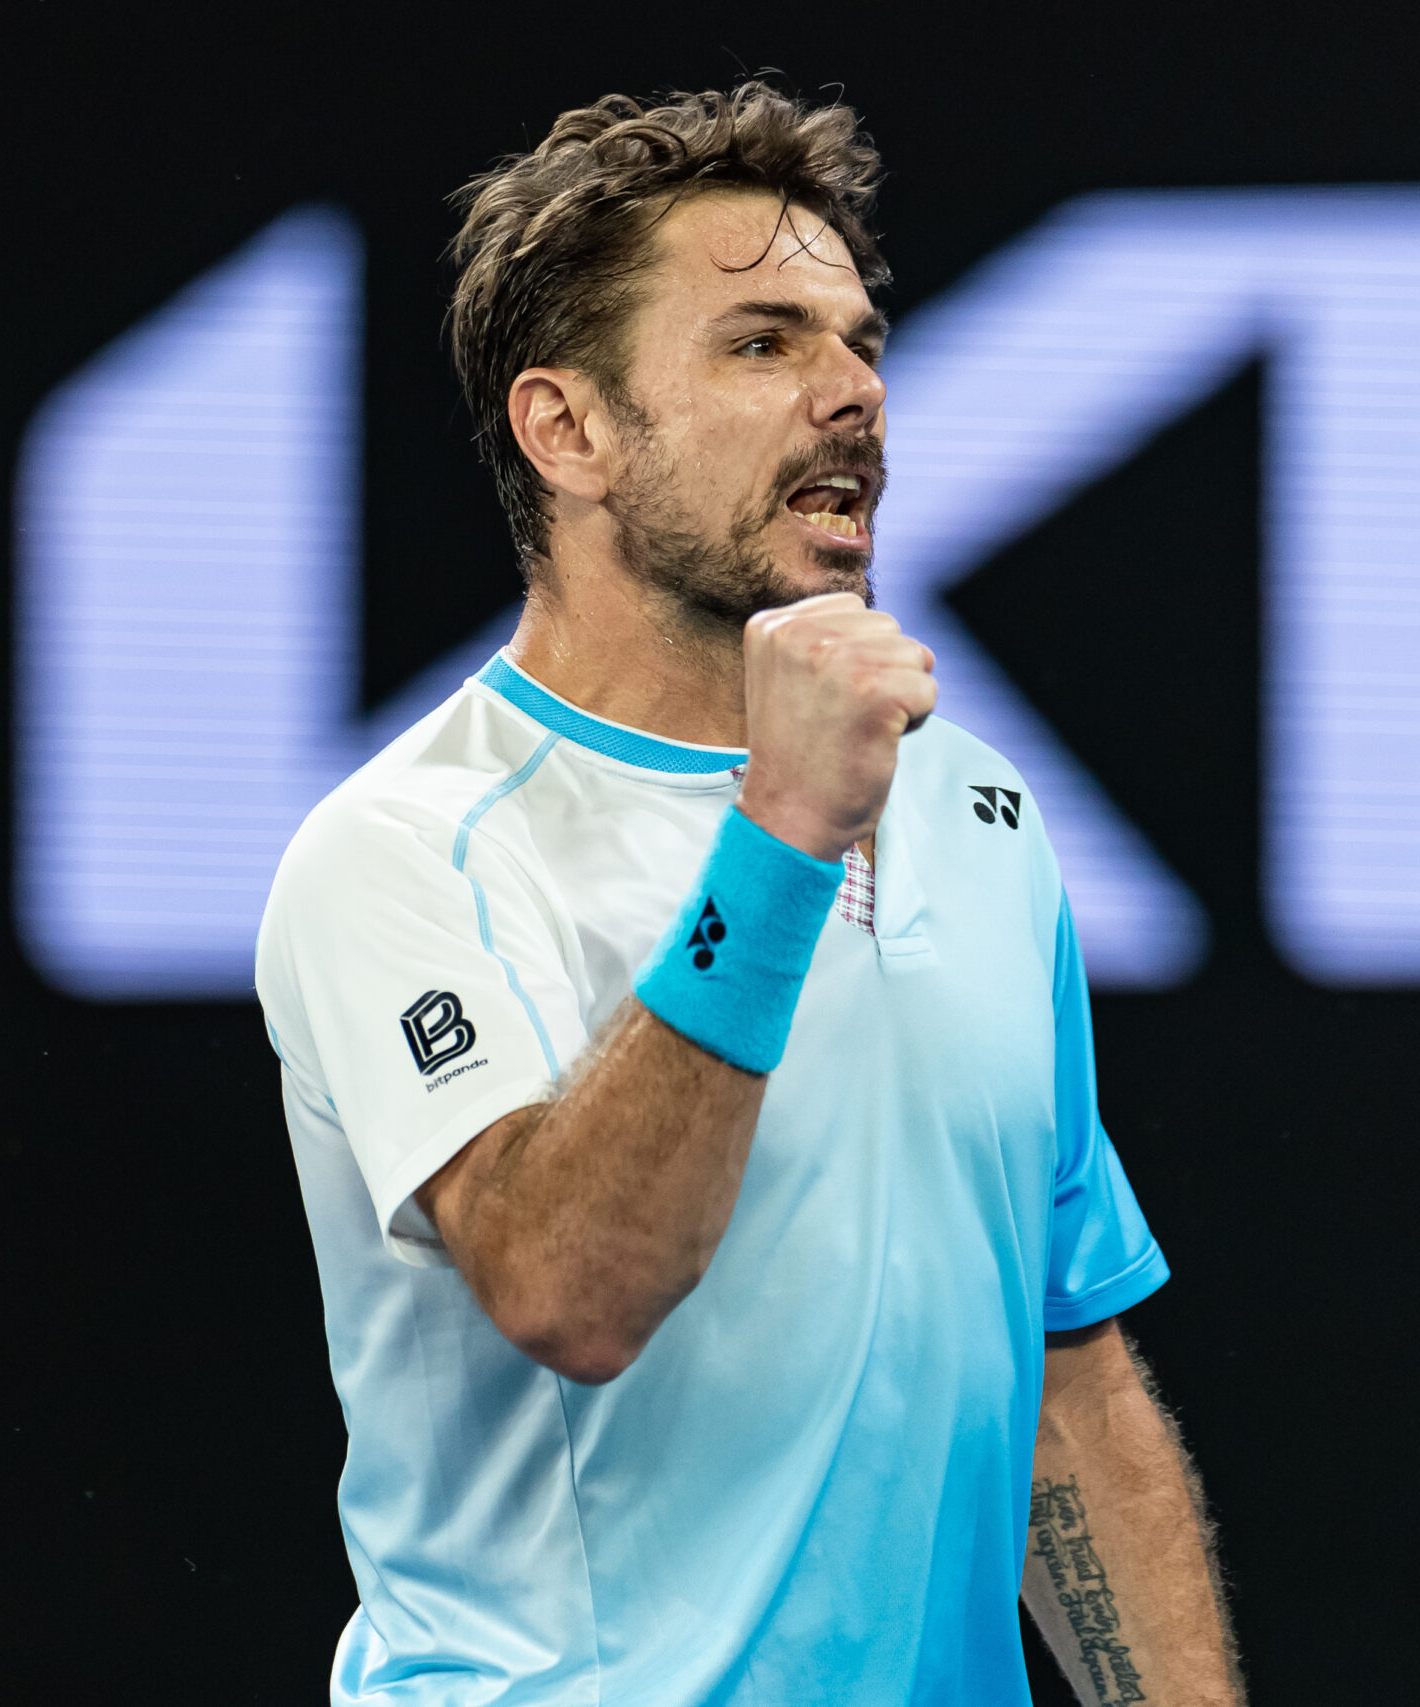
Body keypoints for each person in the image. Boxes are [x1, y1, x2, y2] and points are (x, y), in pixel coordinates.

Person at [255, 82, 1244, 1706]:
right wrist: (781, 841)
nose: (854, 394)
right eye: (764, 343)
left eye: (861, 342)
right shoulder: (403, 853)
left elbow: (1065, 1378)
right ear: (567, 431)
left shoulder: (981, 810)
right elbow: (569, 1289)